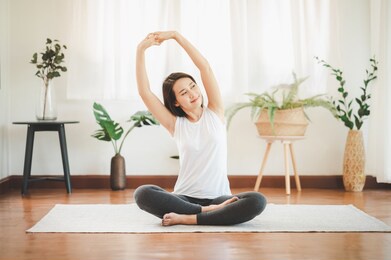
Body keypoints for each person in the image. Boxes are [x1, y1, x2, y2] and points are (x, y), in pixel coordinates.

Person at [134, 31, 266, 226]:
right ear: (176, 103)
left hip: (220, 199)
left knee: (257, 201)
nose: (192, 94)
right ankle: (204, 213)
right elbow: (145, 93)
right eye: (183, 93)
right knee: (142, 193)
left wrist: (176, 36)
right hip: (184, 198)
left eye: (193, 86)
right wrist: (141, 49)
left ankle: (189, 218)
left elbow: (205, 68)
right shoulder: (176, 124)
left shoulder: (215, 112)